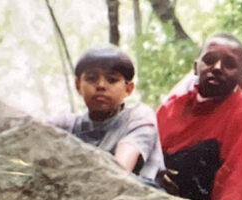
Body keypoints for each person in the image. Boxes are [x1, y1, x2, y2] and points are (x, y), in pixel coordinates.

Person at [155, 33, 242, 200]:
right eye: (210, 60)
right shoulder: (170, 108)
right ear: (196, 67)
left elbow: (236, 175)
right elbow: (148, 159)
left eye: (229, 64)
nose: (217, 68)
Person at [51, 45, 164, 182]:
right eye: (92, 78)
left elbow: (119, 170)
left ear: (128, 88)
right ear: (78, 85)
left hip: (136, 195)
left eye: (112, 80)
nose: (101, 85)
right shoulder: (67, 125)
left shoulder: (138, 117)